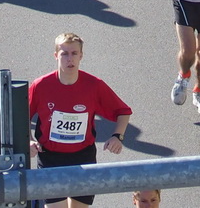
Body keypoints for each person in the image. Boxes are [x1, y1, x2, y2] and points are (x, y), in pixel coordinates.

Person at [30, 31, 131, 203]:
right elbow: (21, 115)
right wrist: (29, 139)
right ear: (56, 56)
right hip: (50, 158)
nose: (70, 59)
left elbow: (123, 111)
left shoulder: (94, 85)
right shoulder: (40, 86)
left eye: (74, 53)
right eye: (65, 54)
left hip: (83, 157)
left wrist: (117, 136)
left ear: (81, 56)